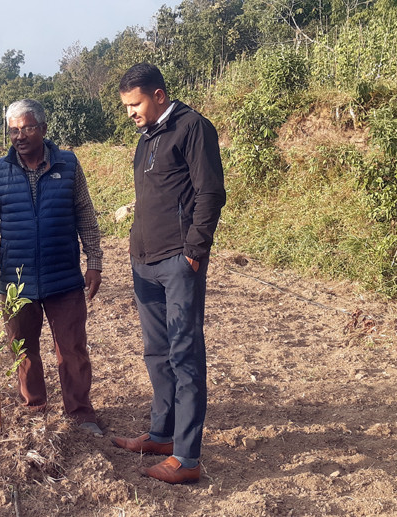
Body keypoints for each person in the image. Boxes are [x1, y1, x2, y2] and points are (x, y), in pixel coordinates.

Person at [110, 63, 226, 483]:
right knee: (156, 354)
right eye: (126, 106)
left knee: (185, 356)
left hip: (179, 261)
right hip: (144, 262)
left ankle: (187, 459)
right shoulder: (146, 137)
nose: (130, 113)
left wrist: (194, 251)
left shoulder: (193, 127)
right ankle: (162, 435)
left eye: (135, 103)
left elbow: (210, 191)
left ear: (159, 95)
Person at [0, 98, 104, 435]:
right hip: (16, 282)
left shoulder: (69, 166)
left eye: (27, 127)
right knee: (23, 349)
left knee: (72, 349)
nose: (19, 136)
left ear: (44, 129)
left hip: (63, 278)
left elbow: (86, 216)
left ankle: (80, 413)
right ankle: (35, 409)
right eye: (13, 129)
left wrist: (94, 262)